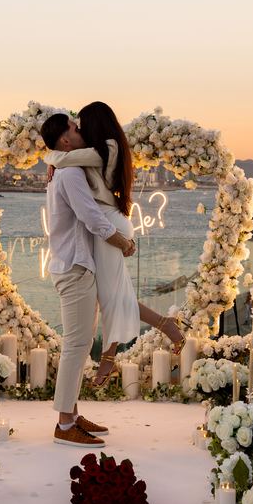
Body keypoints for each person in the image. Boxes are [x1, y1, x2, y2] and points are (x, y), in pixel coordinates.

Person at [45, 103, 186, 387]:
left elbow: (65, 158)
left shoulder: (105, 148)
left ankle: (110, 357)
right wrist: (55, 160)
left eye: (81, 124)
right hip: (109, 223)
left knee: (110, 296)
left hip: (107, 224)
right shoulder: (104, 149)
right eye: (76, 126)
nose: (79, 129)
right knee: (114, 293)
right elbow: (68, 158)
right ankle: (166, 325)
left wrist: (52, 159)